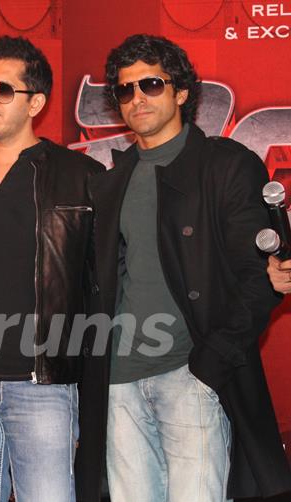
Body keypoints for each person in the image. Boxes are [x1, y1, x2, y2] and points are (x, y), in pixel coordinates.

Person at [79, 34, 291, 501]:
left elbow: (260, 279)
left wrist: (210, 362)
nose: (137, 98)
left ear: (180, 92)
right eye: (125, 89)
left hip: (188, 375)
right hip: (119, 382)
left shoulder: (225, 166)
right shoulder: (110, 183)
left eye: (151, 84)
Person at [0, 36, 103, 501]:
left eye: (2, 90)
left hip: (42, 384)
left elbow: (101, 280)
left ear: (37, 103)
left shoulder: (80, 178)